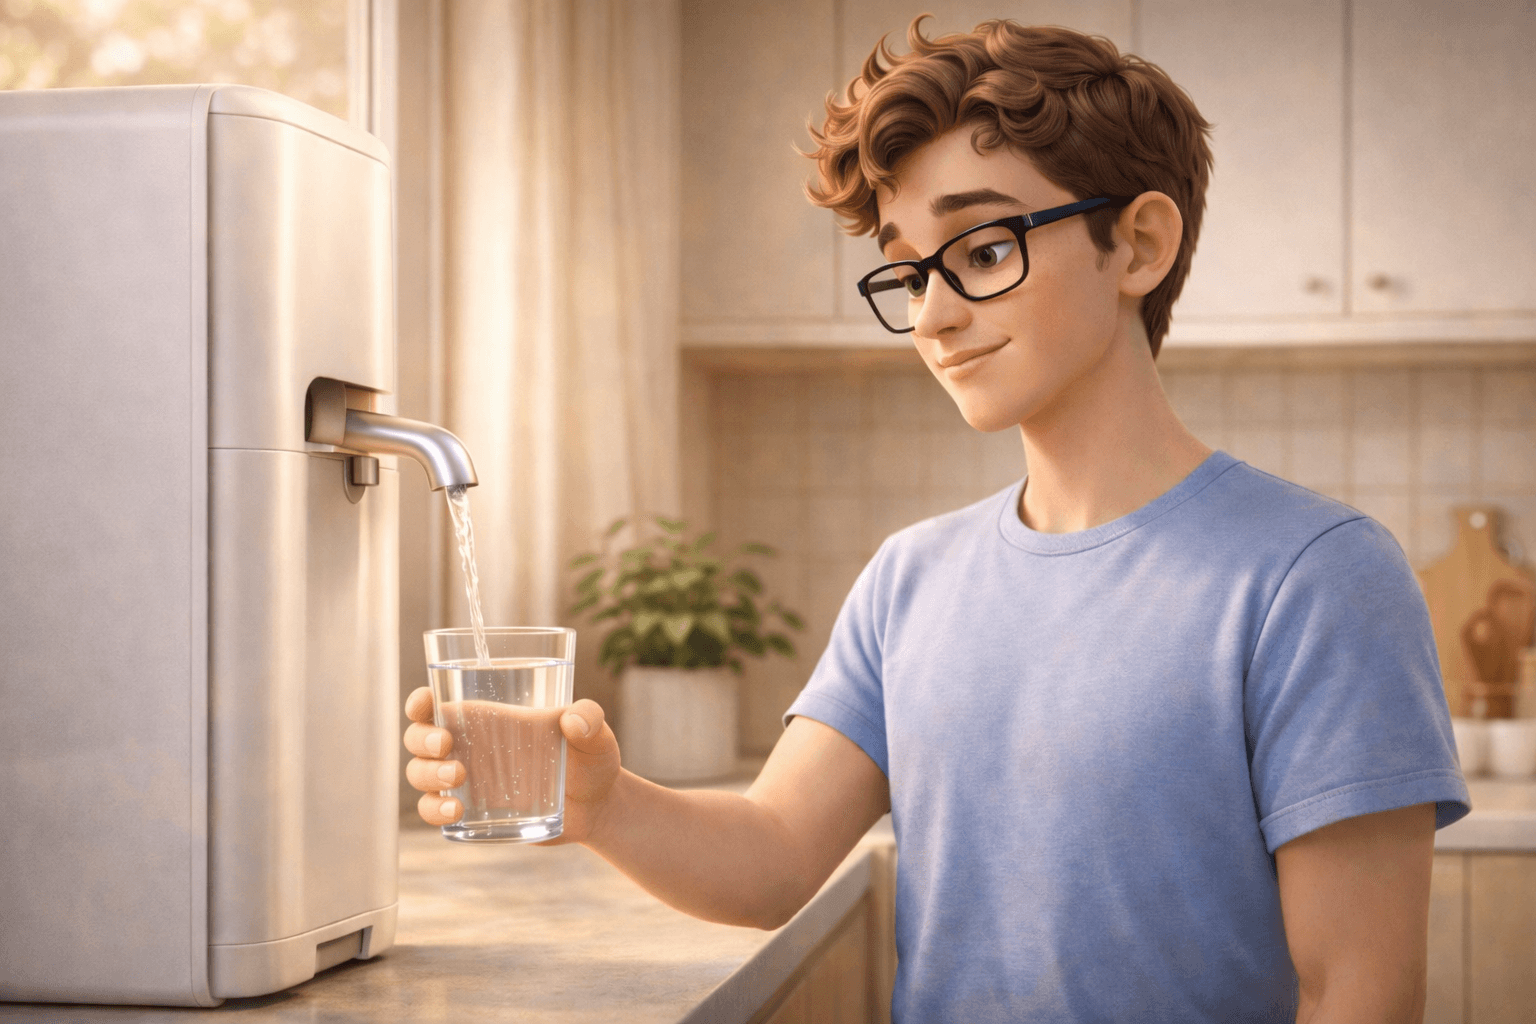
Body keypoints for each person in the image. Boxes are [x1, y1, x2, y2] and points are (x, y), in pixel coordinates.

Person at [404, 17, 1470, 1023]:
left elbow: (1356, 997)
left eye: (983, 249)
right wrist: (601, 800)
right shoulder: (910, 577)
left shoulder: (1317, 576)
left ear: (1137, 246)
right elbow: (775, 851)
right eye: (910, 270)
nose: (933, 314)